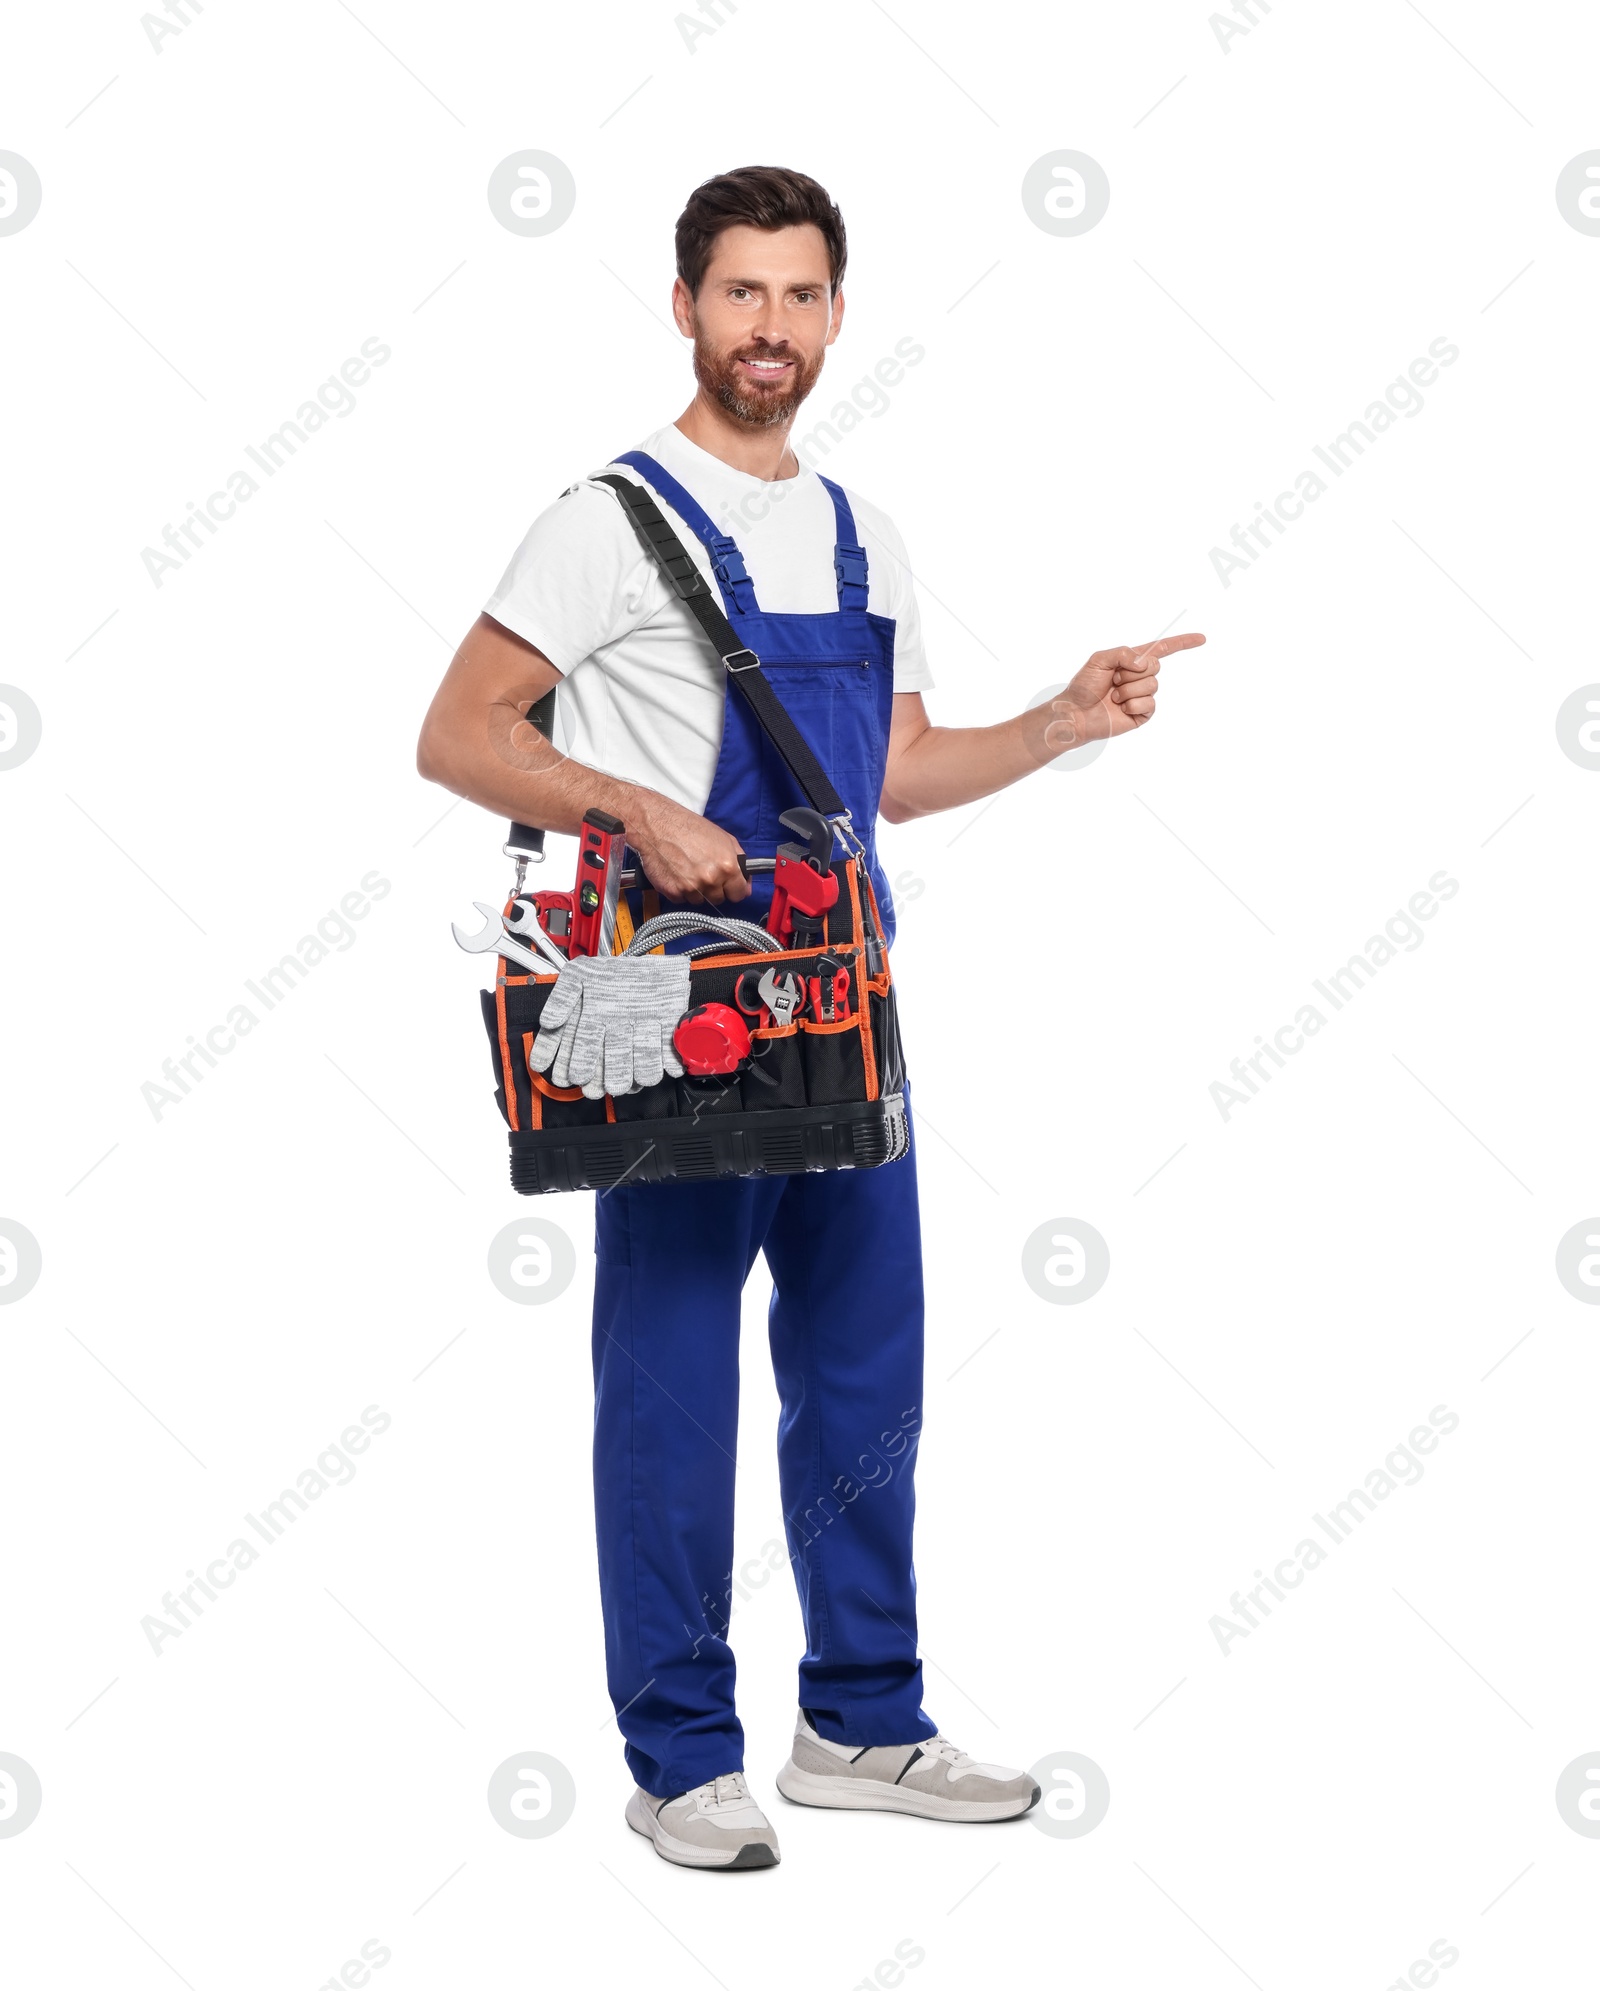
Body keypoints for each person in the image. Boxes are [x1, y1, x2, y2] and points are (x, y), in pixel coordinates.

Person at [417, 164, 1202, 1871]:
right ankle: (682, 1753)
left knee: (865, 1382)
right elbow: (460, 734)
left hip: (848, 1008)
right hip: (679, 1019)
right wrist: (629, 803)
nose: (769, 328)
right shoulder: (603, 518)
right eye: (738, 294)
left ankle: (862, 1721)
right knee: (675, 1390)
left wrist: (1057, 724)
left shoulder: (864, 533)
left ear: (838, 314)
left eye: (799, 296)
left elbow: (897, 774)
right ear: (685, 306)